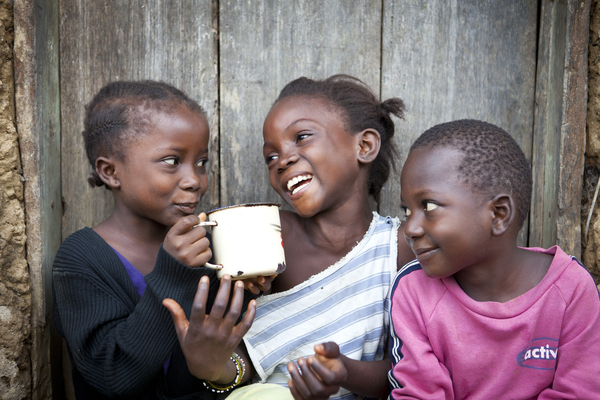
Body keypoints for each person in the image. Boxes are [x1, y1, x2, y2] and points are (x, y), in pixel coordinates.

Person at [52, 80, 269, 399]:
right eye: (172, 161)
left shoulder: (208, 251)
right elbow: (114, 378)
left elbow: (225, 368)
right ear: (111, 172)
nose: (194, 180)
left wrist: (246, 295)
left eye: (201, 162)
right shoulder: (80, 259)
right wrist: (174, 273)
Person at [388, 119, 600, 399]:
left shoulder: (571, 290)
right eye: (407, 211)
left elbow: (580, 393)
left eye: (428, 206)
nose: (411, 229)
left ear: (498, 215)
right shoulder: (414, 291)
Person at [233, 75, 415, 400]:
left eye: (301, 137)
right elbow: (241, 360)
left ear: (364, 146)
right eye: (270, 156)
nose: (282, 160)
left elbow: (406, 371)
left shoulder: (397, 249)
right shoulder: (273, 234)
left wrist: (344, 372)